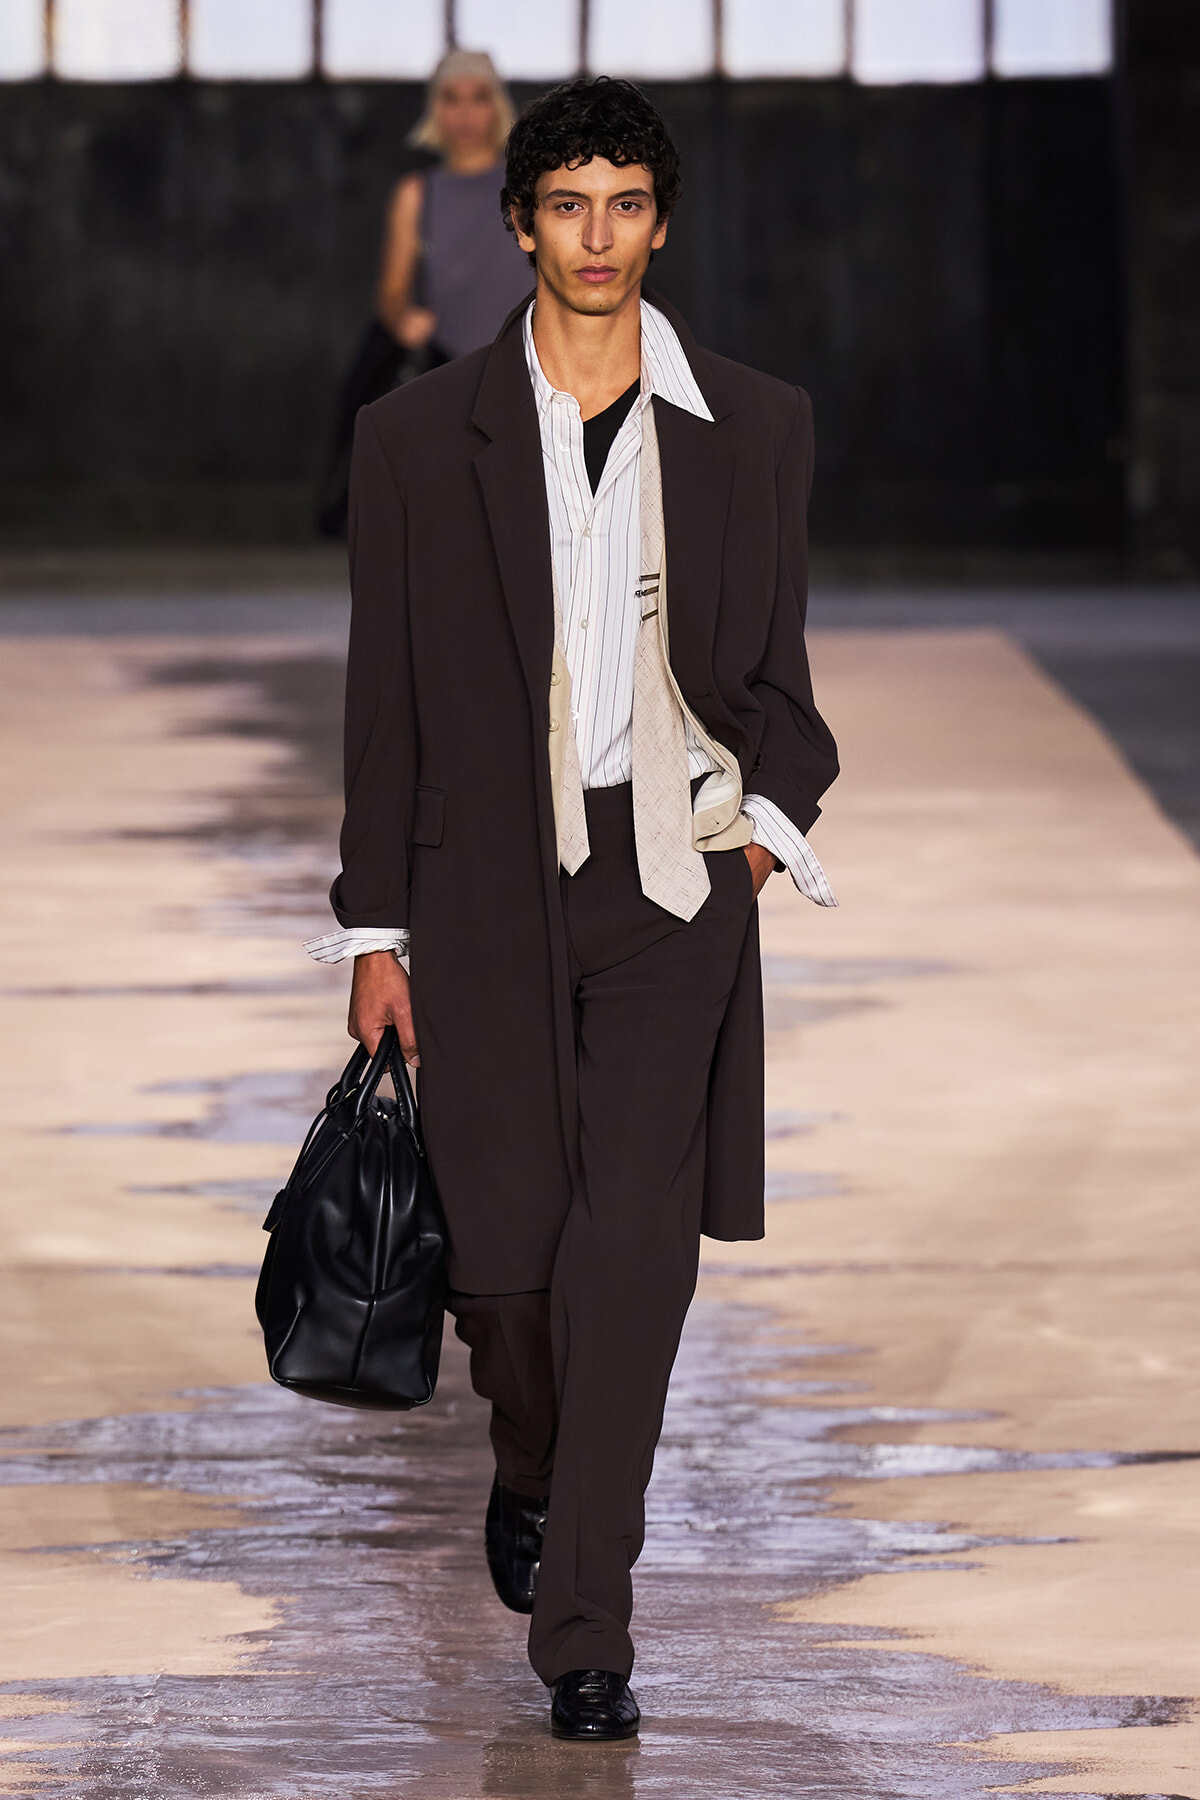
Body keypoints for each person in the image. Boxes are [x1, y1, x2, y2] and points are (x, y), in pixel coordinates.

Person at [305, 75, 839, 1741]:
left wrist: (758, 828)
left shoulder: (756, 425)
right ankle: (528, 1459)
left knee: (634, 1251)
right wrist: (373, 930)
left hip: (672, 881)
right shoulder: (413, 442)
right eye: (567, 205)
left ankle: (589, 1624)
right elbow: (381, 698)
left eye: (627, 204)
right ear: (522, 224)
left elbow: (780, 689)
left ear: (658, 224)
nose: (597, 236)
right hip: (479, 887)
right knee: (515, 1276)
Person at [316, 50, 532, 536]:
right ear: (434, 108)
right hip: (453, 375)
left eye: (478, 98)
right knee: (454, 526)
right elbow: (390, 293)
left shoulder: (529, 186)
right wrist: (402, 319)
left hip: (527, 373)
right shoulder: (417, 193)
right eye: (451, 99)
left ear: (497, 106)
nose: (464, 113)